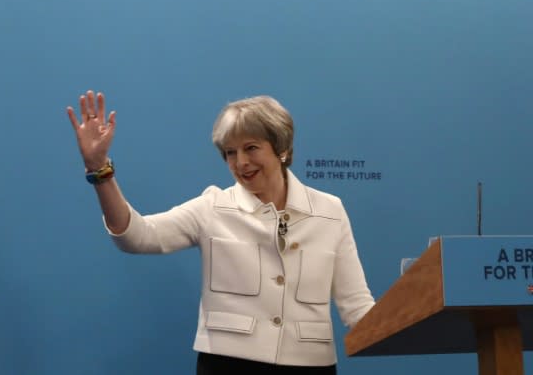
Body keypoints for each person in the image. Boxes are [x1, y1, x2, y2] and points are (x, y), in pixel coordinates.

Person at [66, 90, 376, 374]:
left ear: (281, 148)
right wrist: (100, 170)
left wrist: (415, 325)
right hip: (227, 367)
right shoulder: (212, 207)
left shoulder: (330, 211)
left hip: (311, 367)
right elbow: (137, 235)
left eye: (251, 148)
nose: (241, 162)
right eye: (230, 153)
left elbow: (358, 307)